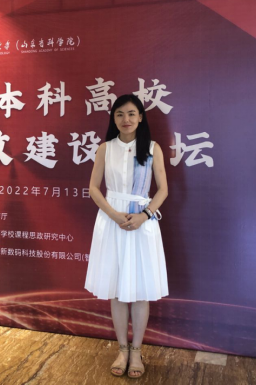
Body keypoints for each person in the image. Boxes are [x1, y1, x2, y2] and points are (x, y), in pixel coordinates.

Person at [84, 94, 169, 379]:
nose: (126, 119)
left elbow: (163, 189)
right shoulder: (105, 148)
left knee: (140, 290)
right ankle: (122, 349)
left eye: (132, 113)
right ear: (113, 118)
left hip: (142, 224)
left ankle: (136, 351)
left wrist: (145, 215)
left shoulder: (153, 148)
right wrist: (113, 214)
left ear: (141, 117)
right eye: (119, 114)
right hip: (112, 222)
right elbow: (94, 188)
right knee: (118, 289)